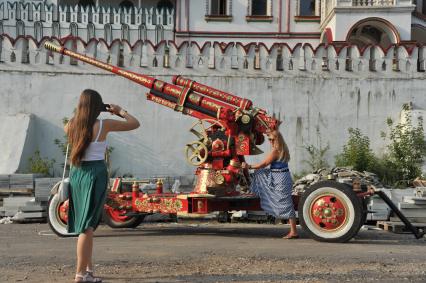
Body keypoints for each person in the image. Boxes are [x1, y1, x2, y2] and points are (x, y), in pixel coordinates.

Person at [65, 89, 140, 282]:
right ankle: (80, 275)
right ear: (98, 107)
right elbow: (134, 123)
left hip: (77, 173)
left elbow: (80, 130)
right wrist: (119, 111)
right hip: (94, 174)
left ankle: (88, 270)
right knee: (87, 226)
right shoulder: (103, 125)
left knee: (85, 223)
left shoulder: (70, 125)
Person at [242, 129, 298, 239]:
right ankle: (293, 231)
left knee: (286, 203)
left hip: (279, 178)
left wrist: (248, 166)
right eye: (269, 139)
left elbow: (263, 164)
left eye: (272, 139)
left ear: (277, 139)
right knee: (286, 202)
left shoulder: (275, 151)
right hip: (283, 176)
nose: (270, 141)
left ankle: (294, 231)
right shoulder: (283, 149)